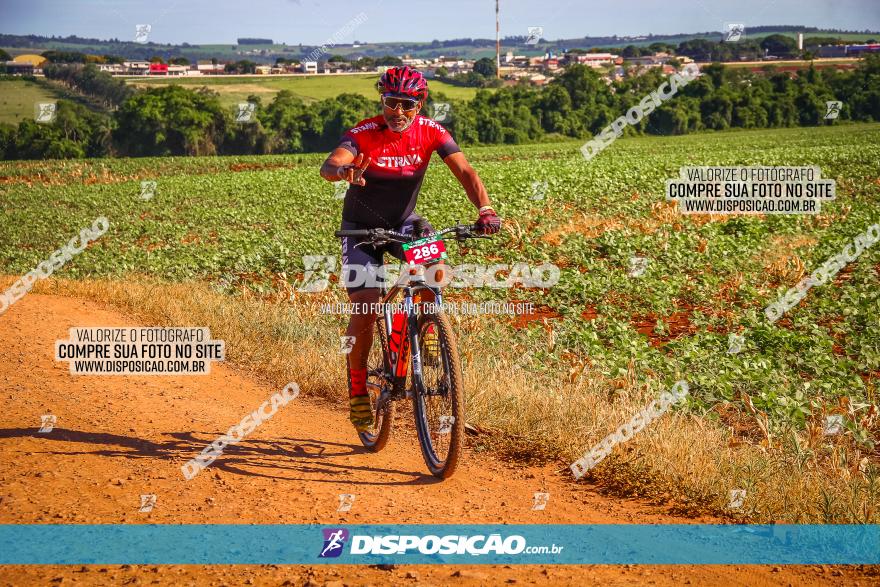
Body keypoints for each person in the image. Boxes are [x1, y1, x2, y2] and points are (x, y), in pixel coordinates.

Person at [319, 65, 501, 433]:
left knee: (434, 271)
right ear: (382, 101)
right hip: (360, 230)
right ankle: (357, 390)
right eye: (390, 103)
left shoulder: (432, 131)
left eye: (406, 104)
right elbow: (331, 163)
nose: (397, 112)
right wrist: (343, 173)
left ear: (420, 104)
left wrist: (485, 209)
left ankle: (430, 330)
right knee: (368, 306)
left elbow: (465, 171)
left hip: (404, 223)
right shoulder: (364, 133)